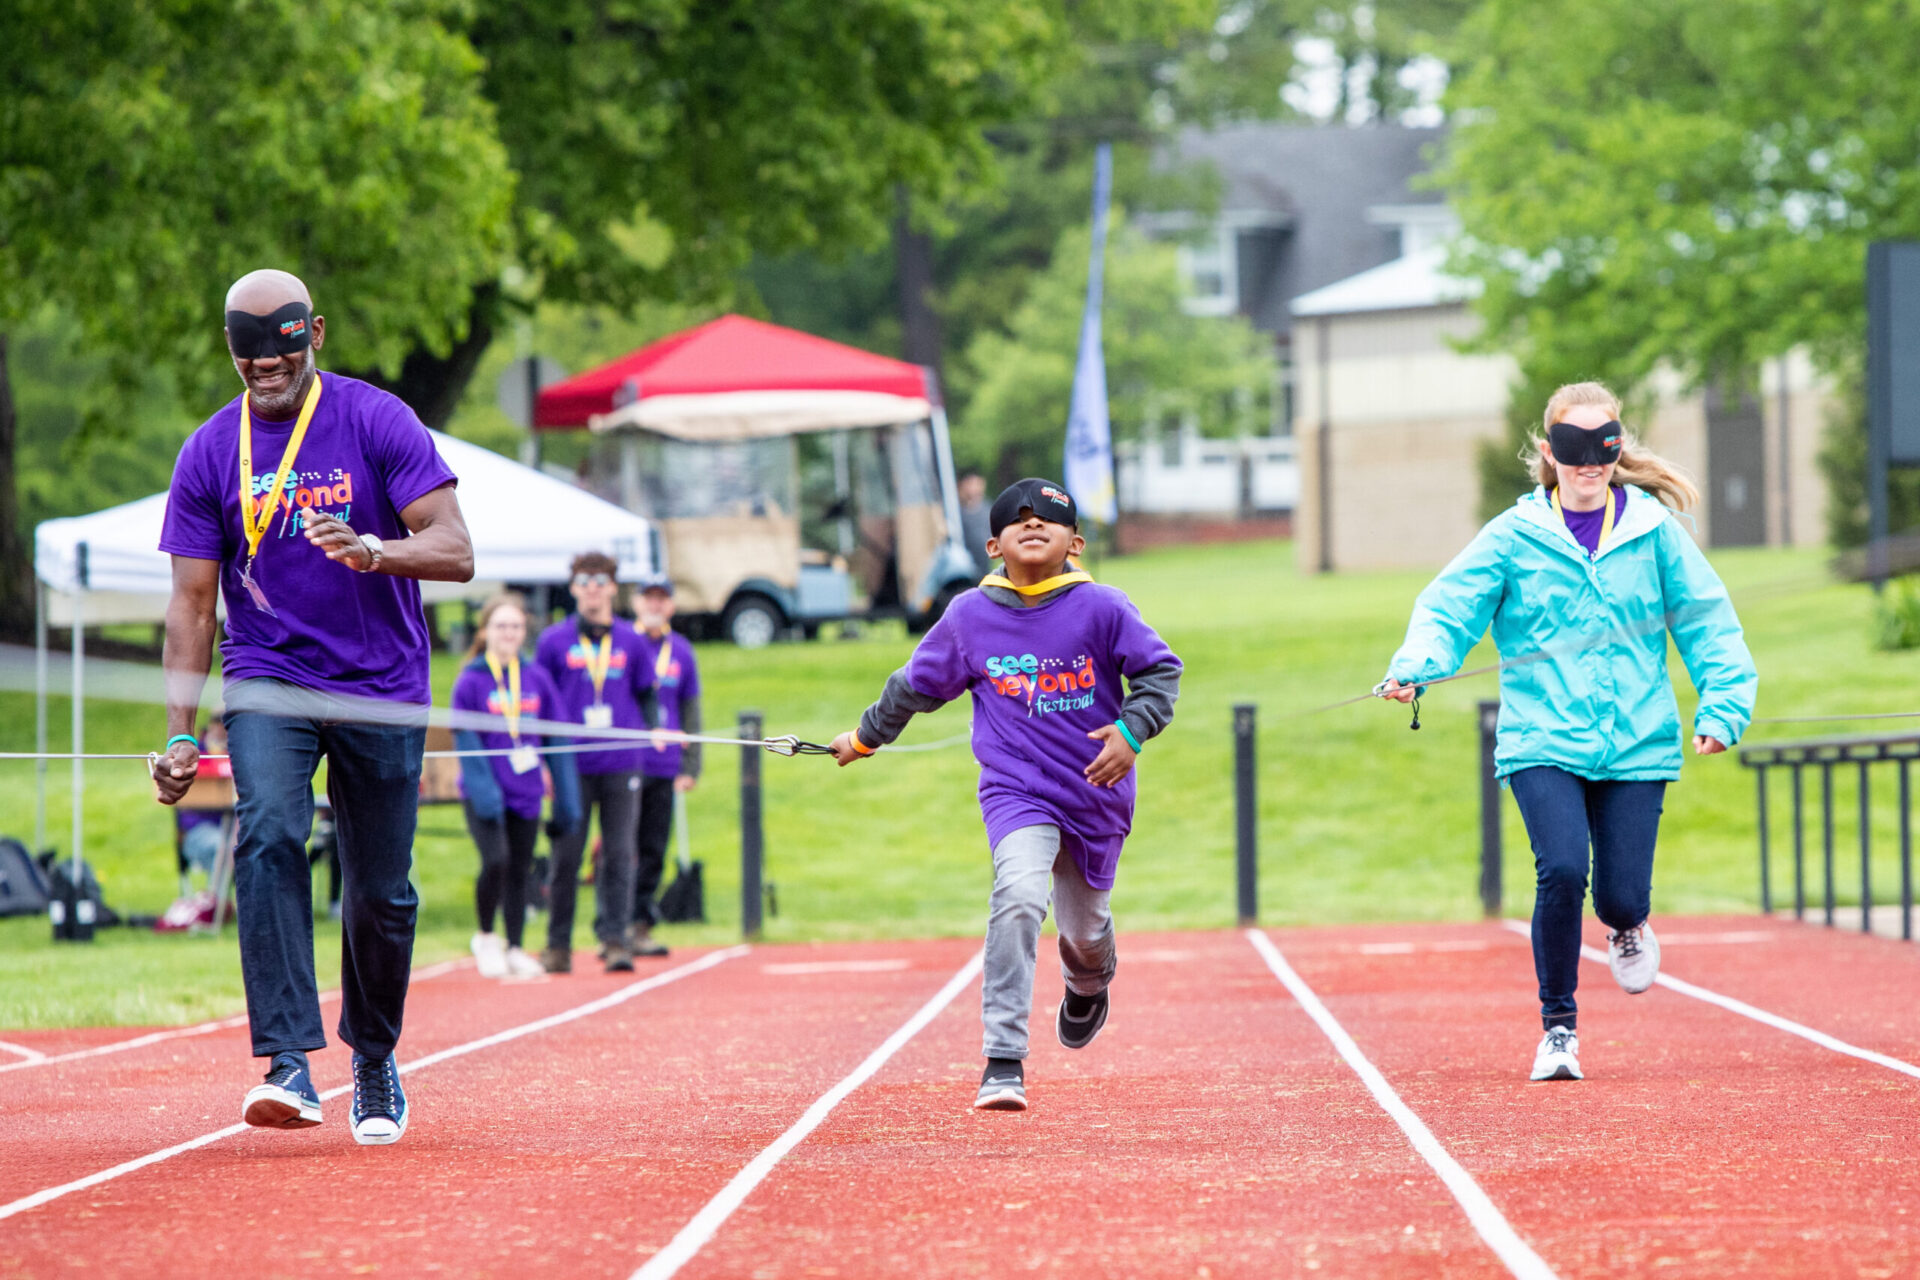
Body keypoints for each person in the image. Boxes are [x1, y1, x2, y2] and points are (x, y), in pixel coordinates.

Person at [152, 268, 474, 1146]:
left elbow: (455, 549)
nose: (266, 371)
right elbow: (190, 604)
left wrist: (376, 551)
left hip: (380, 682)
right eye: (248, 358)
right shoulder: (210, 452)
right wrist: (180, 733)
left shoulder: (376, 420)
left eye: (282, 353)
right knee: (266, 837)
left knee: (380, 893)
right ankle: (287, 1063)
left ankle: (373, 1053)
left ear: (315, 335)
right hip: (267, 674)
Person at [1378, 381, 1757, 1083]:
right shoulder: (1514, 536)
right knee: (1560, 870)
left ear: (1616, 448)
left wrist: (1723, 706)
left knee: (1618, 896)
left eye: (1603, 447)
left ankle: (1628, 924)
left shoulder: (1654, 533)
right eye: (1575, 450)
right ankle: (1559, 1028)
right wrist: (1417, 668)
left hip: (1636, 743)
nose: (1590, 463)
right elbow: (1449, 608)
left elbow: (1708, 623)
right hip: (1542, 737)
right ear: (1552, 454)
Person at [828, 478, 1182, 1112]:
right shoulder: (969, 616)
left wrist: (1132, 730)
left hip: (1096, 793)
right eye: (1016, 518)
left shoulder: (1104, 607)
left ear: (1075, 541)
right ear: (994, 543)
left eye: (1049, 516)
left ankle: (1088, 983)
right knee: (1018, 894)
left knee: (1085, 931)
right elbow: (913, 685)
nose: (1032, 521)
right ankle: (1003, 1059)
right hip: (1017, 792)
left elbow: (1160, 672)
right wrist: (863, 737)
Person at [534, 552, 657, 974]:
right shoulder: (552, 641)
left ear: (612, 587)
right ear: (572, 587)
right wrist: (543, 761)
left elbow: (648, 694)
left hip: (622, 762)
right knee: (567, 854)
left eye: (600, 579)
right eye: (584, 580)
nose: (592, 587)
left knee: (620, 853)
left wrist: (654, 730)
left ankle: (616, 940)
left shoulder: (632, 639)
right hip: (570, 762)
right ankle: (557, 945)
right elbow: (537, 703)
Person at [452, 593, 579, 980]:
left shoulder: (536, 677)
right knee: (496, 861)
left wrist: (566, 795)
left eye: (516, 626)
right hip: (485, 793)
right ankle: (486, 937)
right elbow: (467, 738)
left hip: (526, 792)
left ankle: (515, 945)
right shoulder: (471, 680)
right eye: (501, 626)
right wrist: (486, 793)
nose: (509, 633)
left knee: (521, 868)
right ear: (486, 630)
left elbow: (556, 737)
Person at [627, 572, 701, 957]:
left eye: (662, 599)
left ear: (670, 605)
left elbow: (691, 708)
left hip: (665, 764)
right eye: (648, 598)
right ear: (637, 602)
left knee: (654, 847)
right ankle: (615, 923)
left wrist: (691, 765)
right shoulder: (623, 641)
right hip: (626, 762)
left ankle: (640, 923)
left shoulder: (682, 650)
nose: (655, 605)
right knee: (623, 845)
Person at [957, 471, 992, 577]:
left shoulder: (989, 509)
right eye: (969, 483)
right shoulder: (957, 512)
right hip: (965, 565)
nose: (972, 488)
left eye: (976, 483)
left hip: (986, 564)